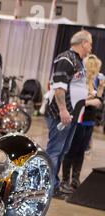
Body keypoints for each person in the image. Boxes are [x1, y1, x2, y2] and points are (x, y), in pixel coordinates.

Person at [44, 30, 92, 199]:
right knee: (55, 151)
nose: (91, 48)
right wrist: (63, 110)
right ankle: (46, 186)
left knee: (63, 151)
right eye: (90, 44)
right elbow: (59, 87)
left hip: (72, 115)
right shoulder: (66, 58)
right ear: (84, 43)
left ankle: (54, 184)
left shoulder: (79, 61)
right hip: (60, 114)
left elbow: (76, 86)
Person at [61, 54, 104, 193]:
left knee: (81, 151)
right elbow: (78, 101)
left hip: (89, 121)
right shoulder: (81, 80)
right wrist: (92, 100)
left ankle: (75, 178)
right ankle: (65, 180)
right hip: (79, 120)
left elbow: (99, 102)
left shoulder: (97, 80)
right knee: (71, 150)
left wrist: (101, 89)